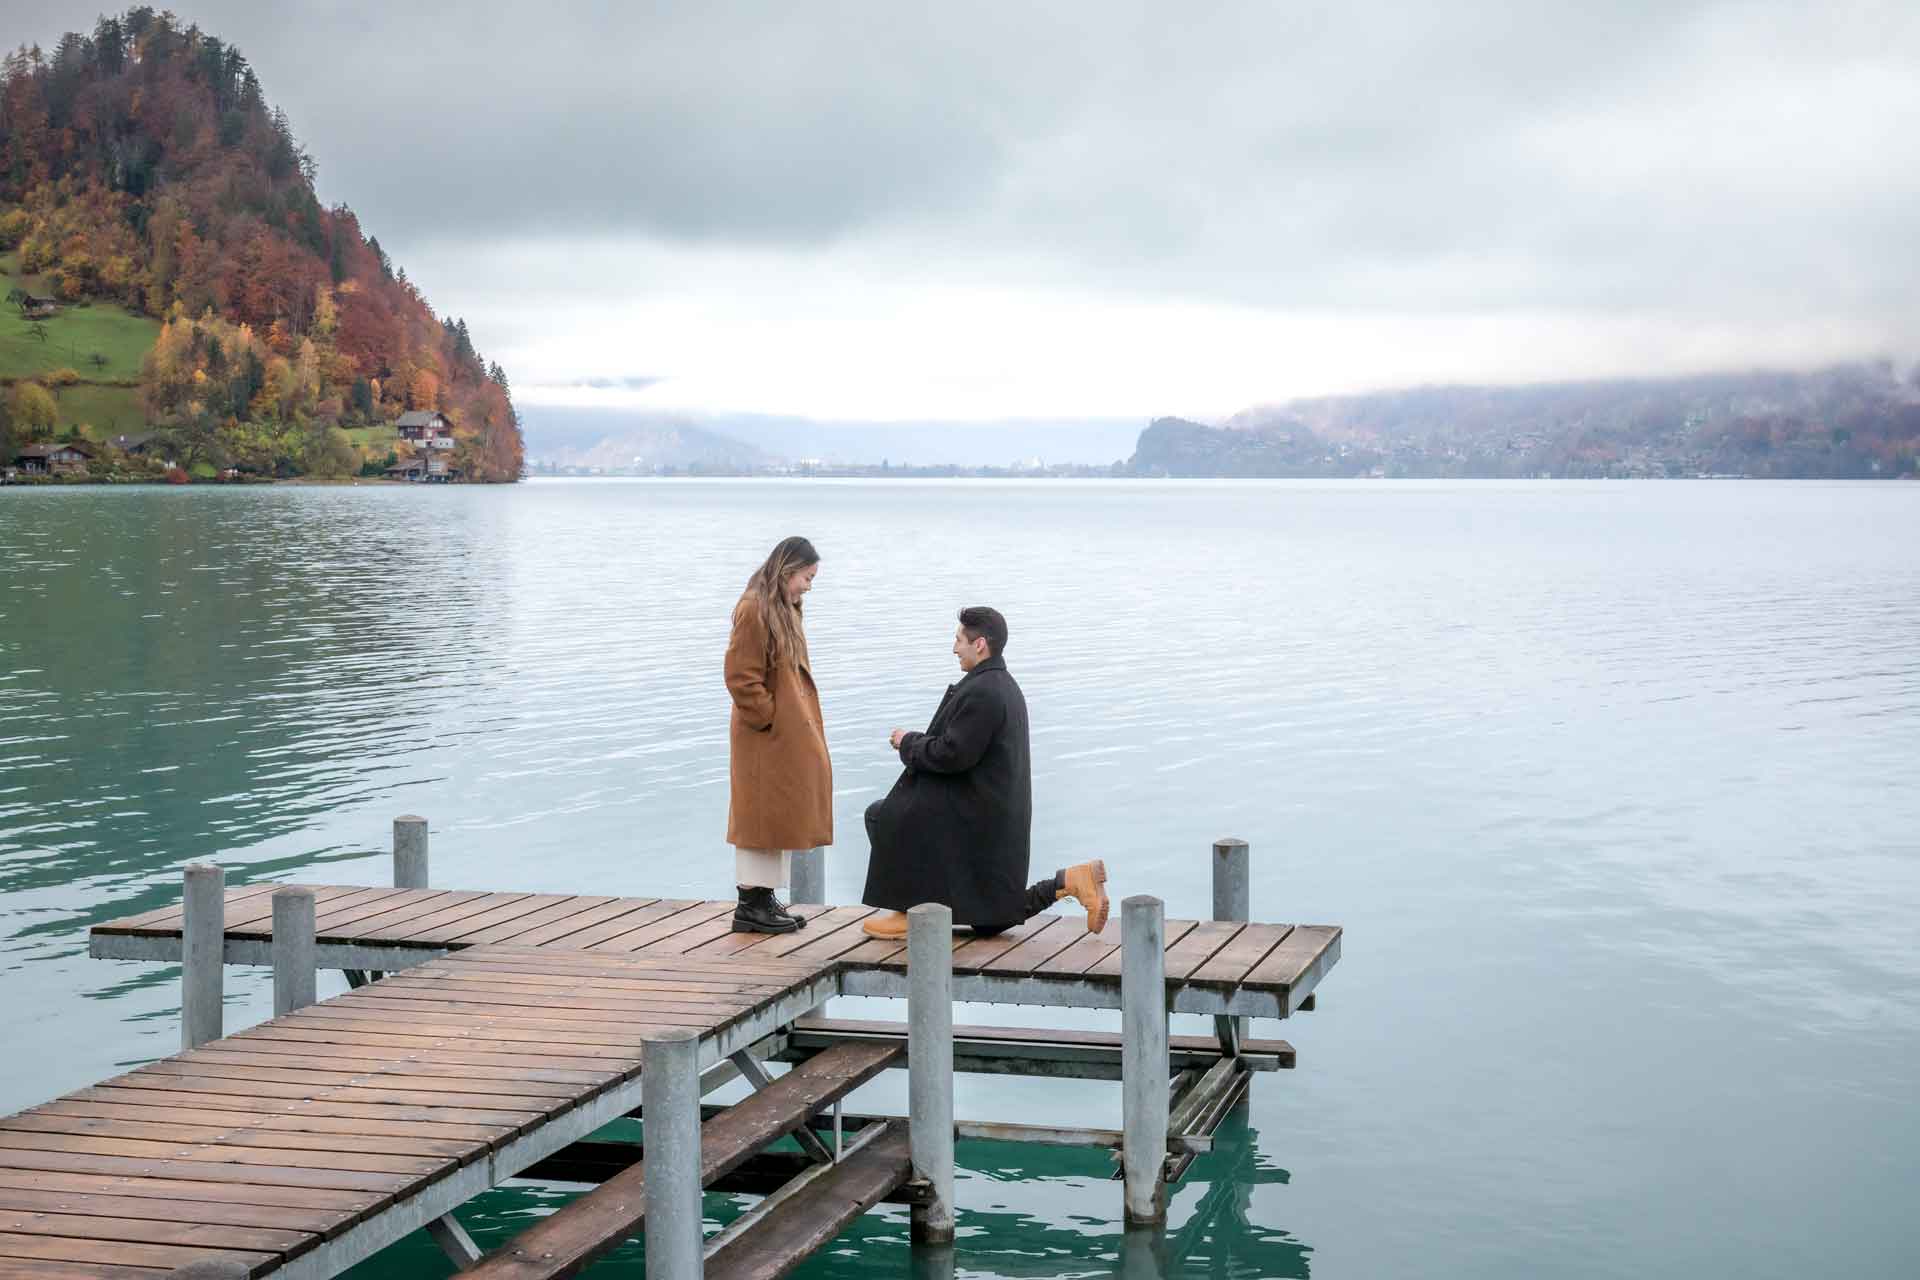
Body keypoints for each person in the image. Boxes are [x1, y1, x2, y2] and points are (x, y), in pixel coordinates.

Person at [860, 606, 1107, 939]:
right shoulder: (1001, 685)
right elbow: (961, 749)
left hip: (976, 821)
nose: (954, 648)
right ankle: (1072, 881)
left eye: (959, 639)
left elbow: (952, 754)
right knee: (992, 920)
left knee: (882, 816)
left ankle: (912, 911)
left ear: (979, 645)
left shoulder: (984, 691)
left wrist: (908, 742)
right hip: (992, 814)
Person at [723, 536, 831, 933]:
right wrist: (769, 718)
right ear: (788, 569)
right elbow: (740, 675)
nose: (808, 585)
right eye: (807, 576)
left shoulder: (781, 608)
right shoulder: (755, 609)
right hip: (763, 736)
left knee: (776, 817)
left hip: (779, 735)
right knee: (760, 819)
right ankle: (751, 905)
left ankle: (763, 899)